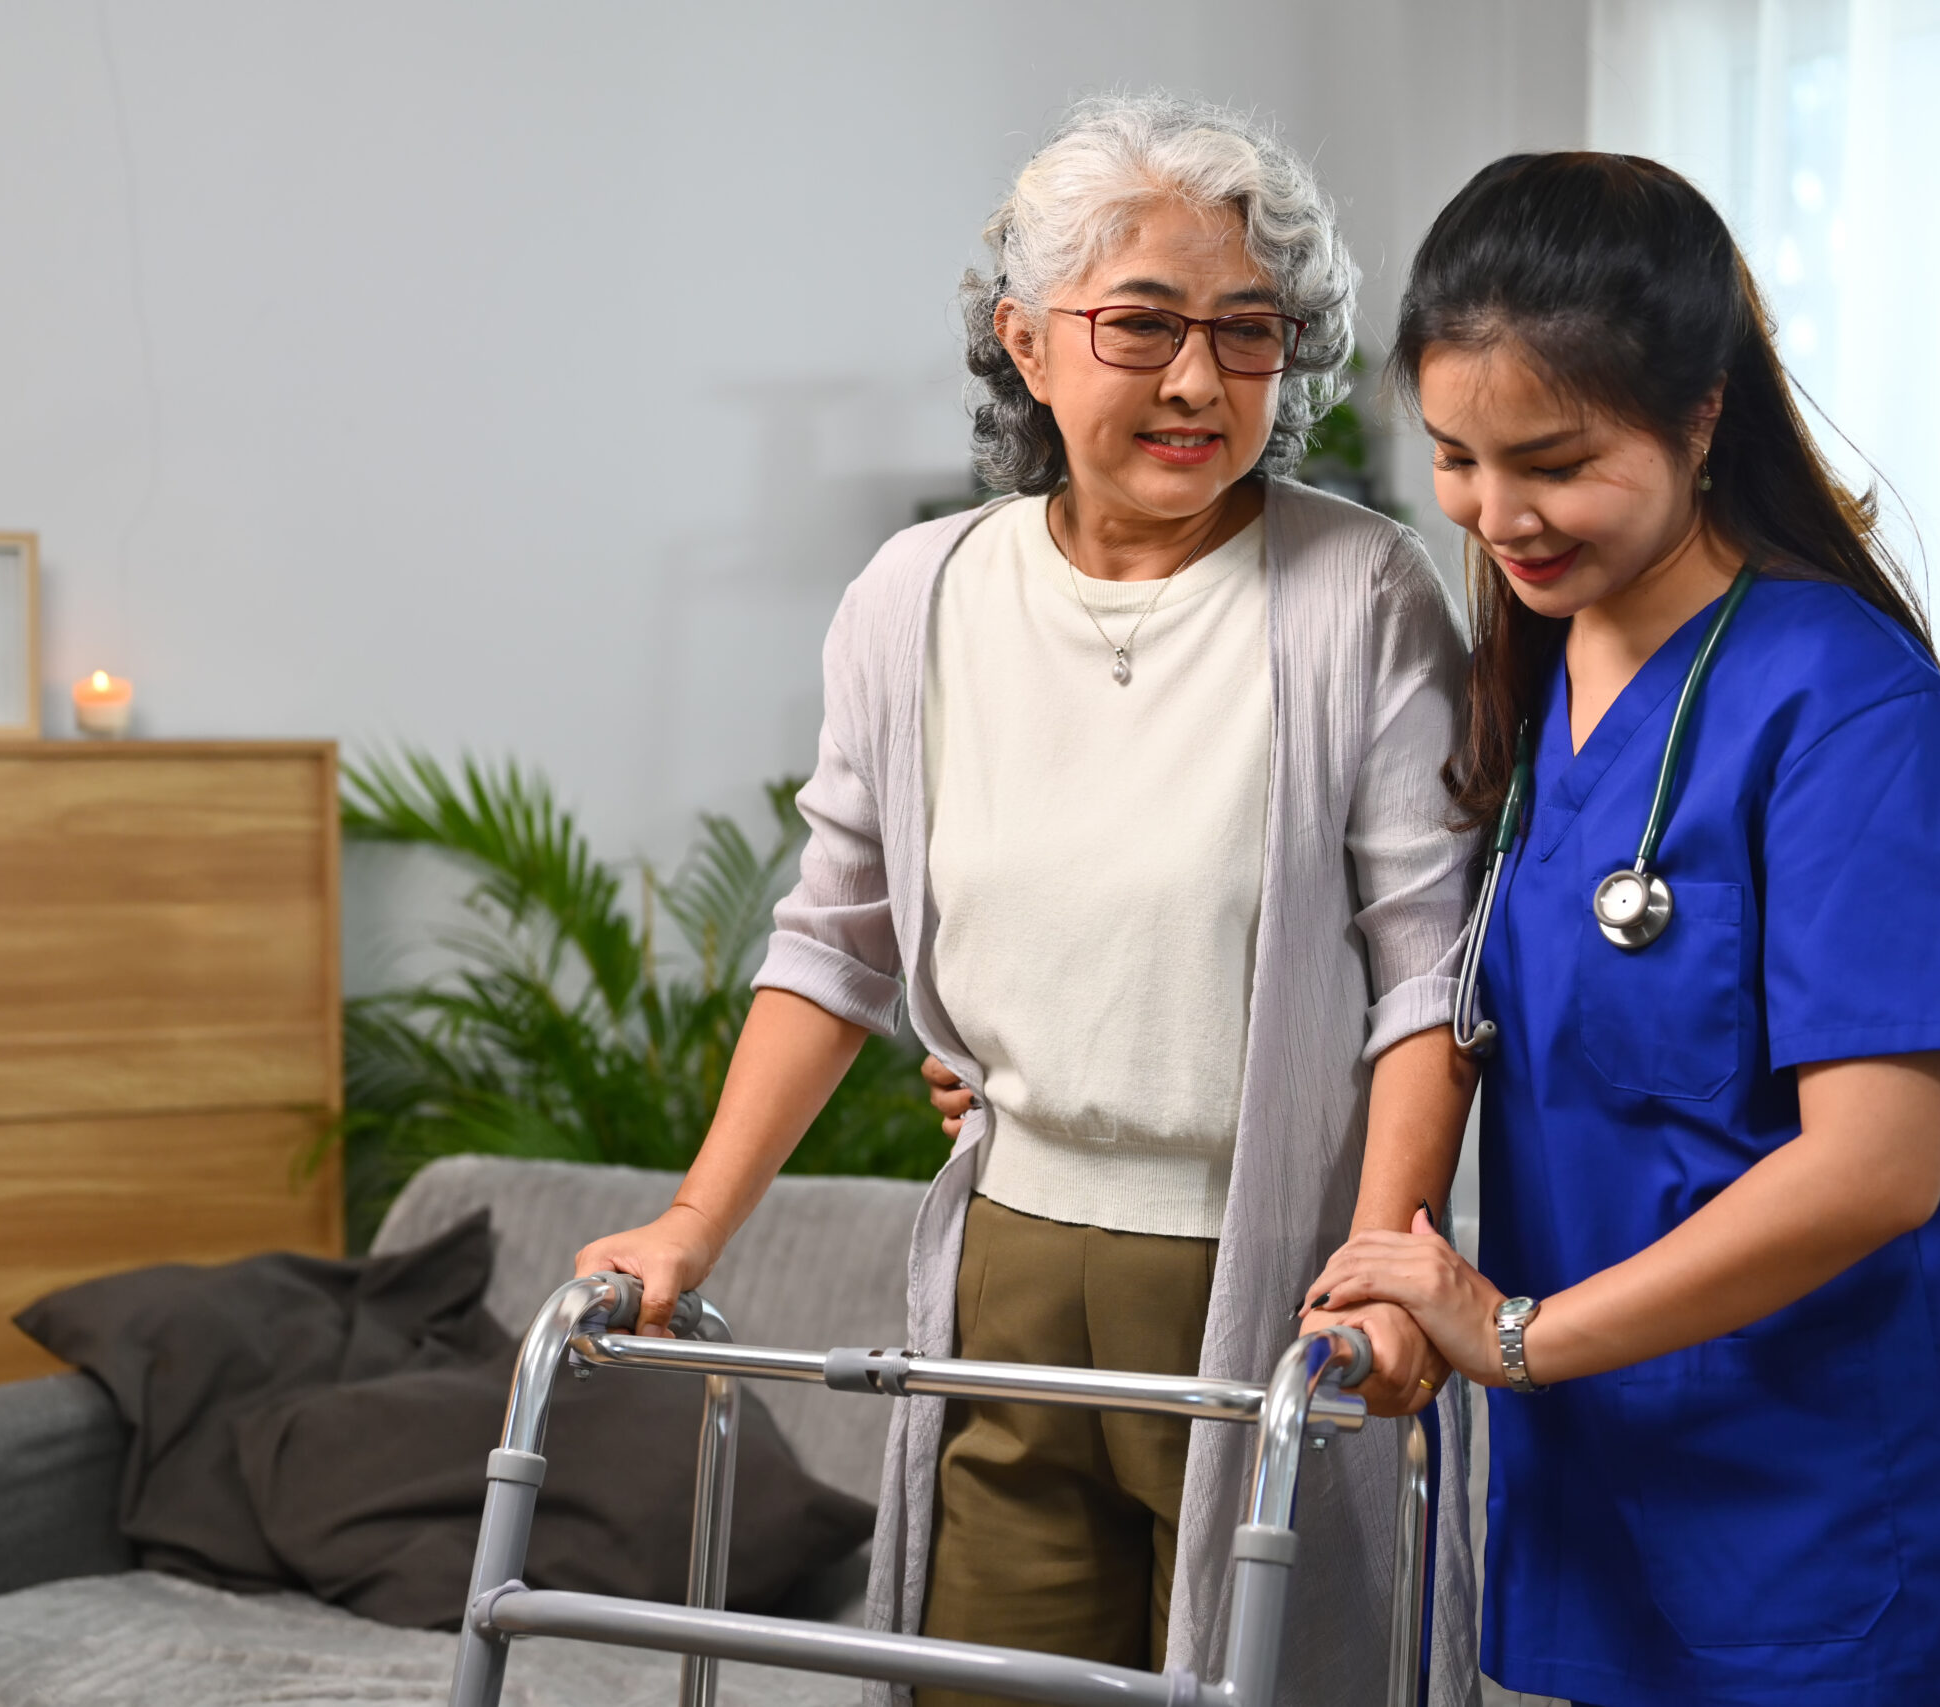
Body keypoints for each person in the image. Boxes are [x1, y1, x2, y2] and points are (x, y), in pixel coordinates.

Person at [574, 94, 1480, 1703]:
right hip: (1005, 1268)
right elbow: (833, 936)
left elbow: (1430, 972)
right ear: (1028, 338)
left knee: (1276, 1674)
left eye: (1247, 332)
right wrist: (693, 1223)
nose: (1198, 379)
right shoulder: (918, 598)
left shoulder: (1360, 593)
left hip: (1265, 1281)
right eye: (1141, 325)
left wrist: (1380, 1269)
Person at [1302, 151, 1940, 1707]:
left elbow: (1878, 1167)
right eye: (1458, 460)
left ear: (1701, 415)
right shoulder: (1545, 683)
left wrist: (1514, 1331)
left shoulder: (1861, 723)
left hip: (1847, 1509)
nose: (1498, 517)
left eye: (1553, 459)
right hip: (1626, 1504)